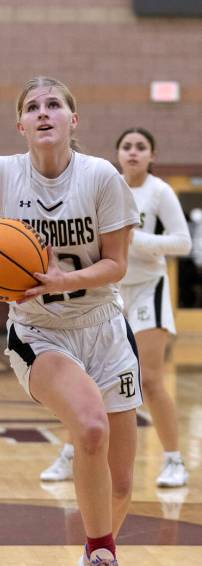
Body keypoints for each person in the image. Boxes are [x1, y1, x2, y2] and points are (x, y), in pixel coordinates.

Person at [0, 77, 142, 566]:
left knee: (123, 483)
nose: (45, 113)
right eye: (33, 107)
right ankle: (106, 560)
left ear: (72, 120)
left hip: (104, 326)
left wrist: (63, 279)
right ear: (20, 124)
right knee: (88, 429)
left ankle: (96, 551)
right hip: (39, 330)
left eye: (55, 105)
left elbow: (117, 264)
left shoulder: (101, 177)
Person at [42, 128, 192, 489]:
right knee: (90, 381)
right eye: (127, 147)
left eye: (141, 147)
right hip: (108, 293)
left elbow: (183, 243)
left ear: (152, 156)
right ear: (118, 153)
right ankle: (71, 452)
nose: (133, 153)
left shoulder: (159, 192)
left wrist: (133, 240)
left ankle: (173, 460)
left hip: (146, 291)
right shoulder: (106, 187)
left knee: (150, 379)